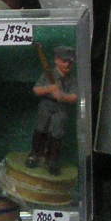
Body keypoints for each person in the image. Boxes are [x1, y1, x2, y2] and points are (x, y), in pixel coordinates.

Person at [27, 44, 78, 175]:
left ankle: (52, 160)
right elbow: (36, 90)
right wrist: (50, 88)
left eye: (70, 62)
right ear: (57, 60)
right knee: (40, 129)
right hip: (46, 105)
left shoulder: (72, 79)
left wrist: (62, 96)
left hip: (61, 108)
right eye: (64, 61)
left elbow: (74, 97)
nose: (67, 64)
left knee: (57, 133)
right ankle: (35, 154)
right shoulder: (48, 74)